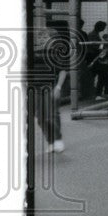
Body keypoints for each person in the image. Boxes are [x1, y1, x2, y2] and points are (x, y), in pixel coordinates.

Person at [31, 23, 69, 154]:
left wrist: (58, 87)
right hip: (35, 88)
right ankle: (51, 142)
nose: (41, 39)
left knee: (51, 115)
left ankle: (58, 140)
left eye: (44, 36)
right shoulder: (34, 52)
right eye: (39, 37)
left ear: (52, 38)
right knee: (40, 118)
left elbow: (63, 71)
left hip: (51, 87)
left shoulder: (56, 52)